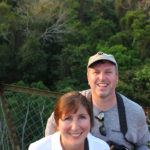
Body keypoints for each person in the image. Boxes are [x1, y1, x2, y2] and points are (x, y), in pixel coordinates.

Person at [45, 52, 150, 150]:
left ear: (116, 78)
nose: (102, 78)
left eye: (108, 72)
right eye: (96, 72)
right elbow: (49, 141)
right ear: (88, 78)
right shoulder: (70, 104)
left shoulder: (135, 112)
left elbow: (142, 145)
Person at [28, 91, 109, 150]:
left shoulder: (101, 147)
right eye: (67, 118)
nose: (75, 127)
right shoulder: (39, 148)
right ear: (57, 122)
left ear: (90, 120)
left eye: (82, 117)